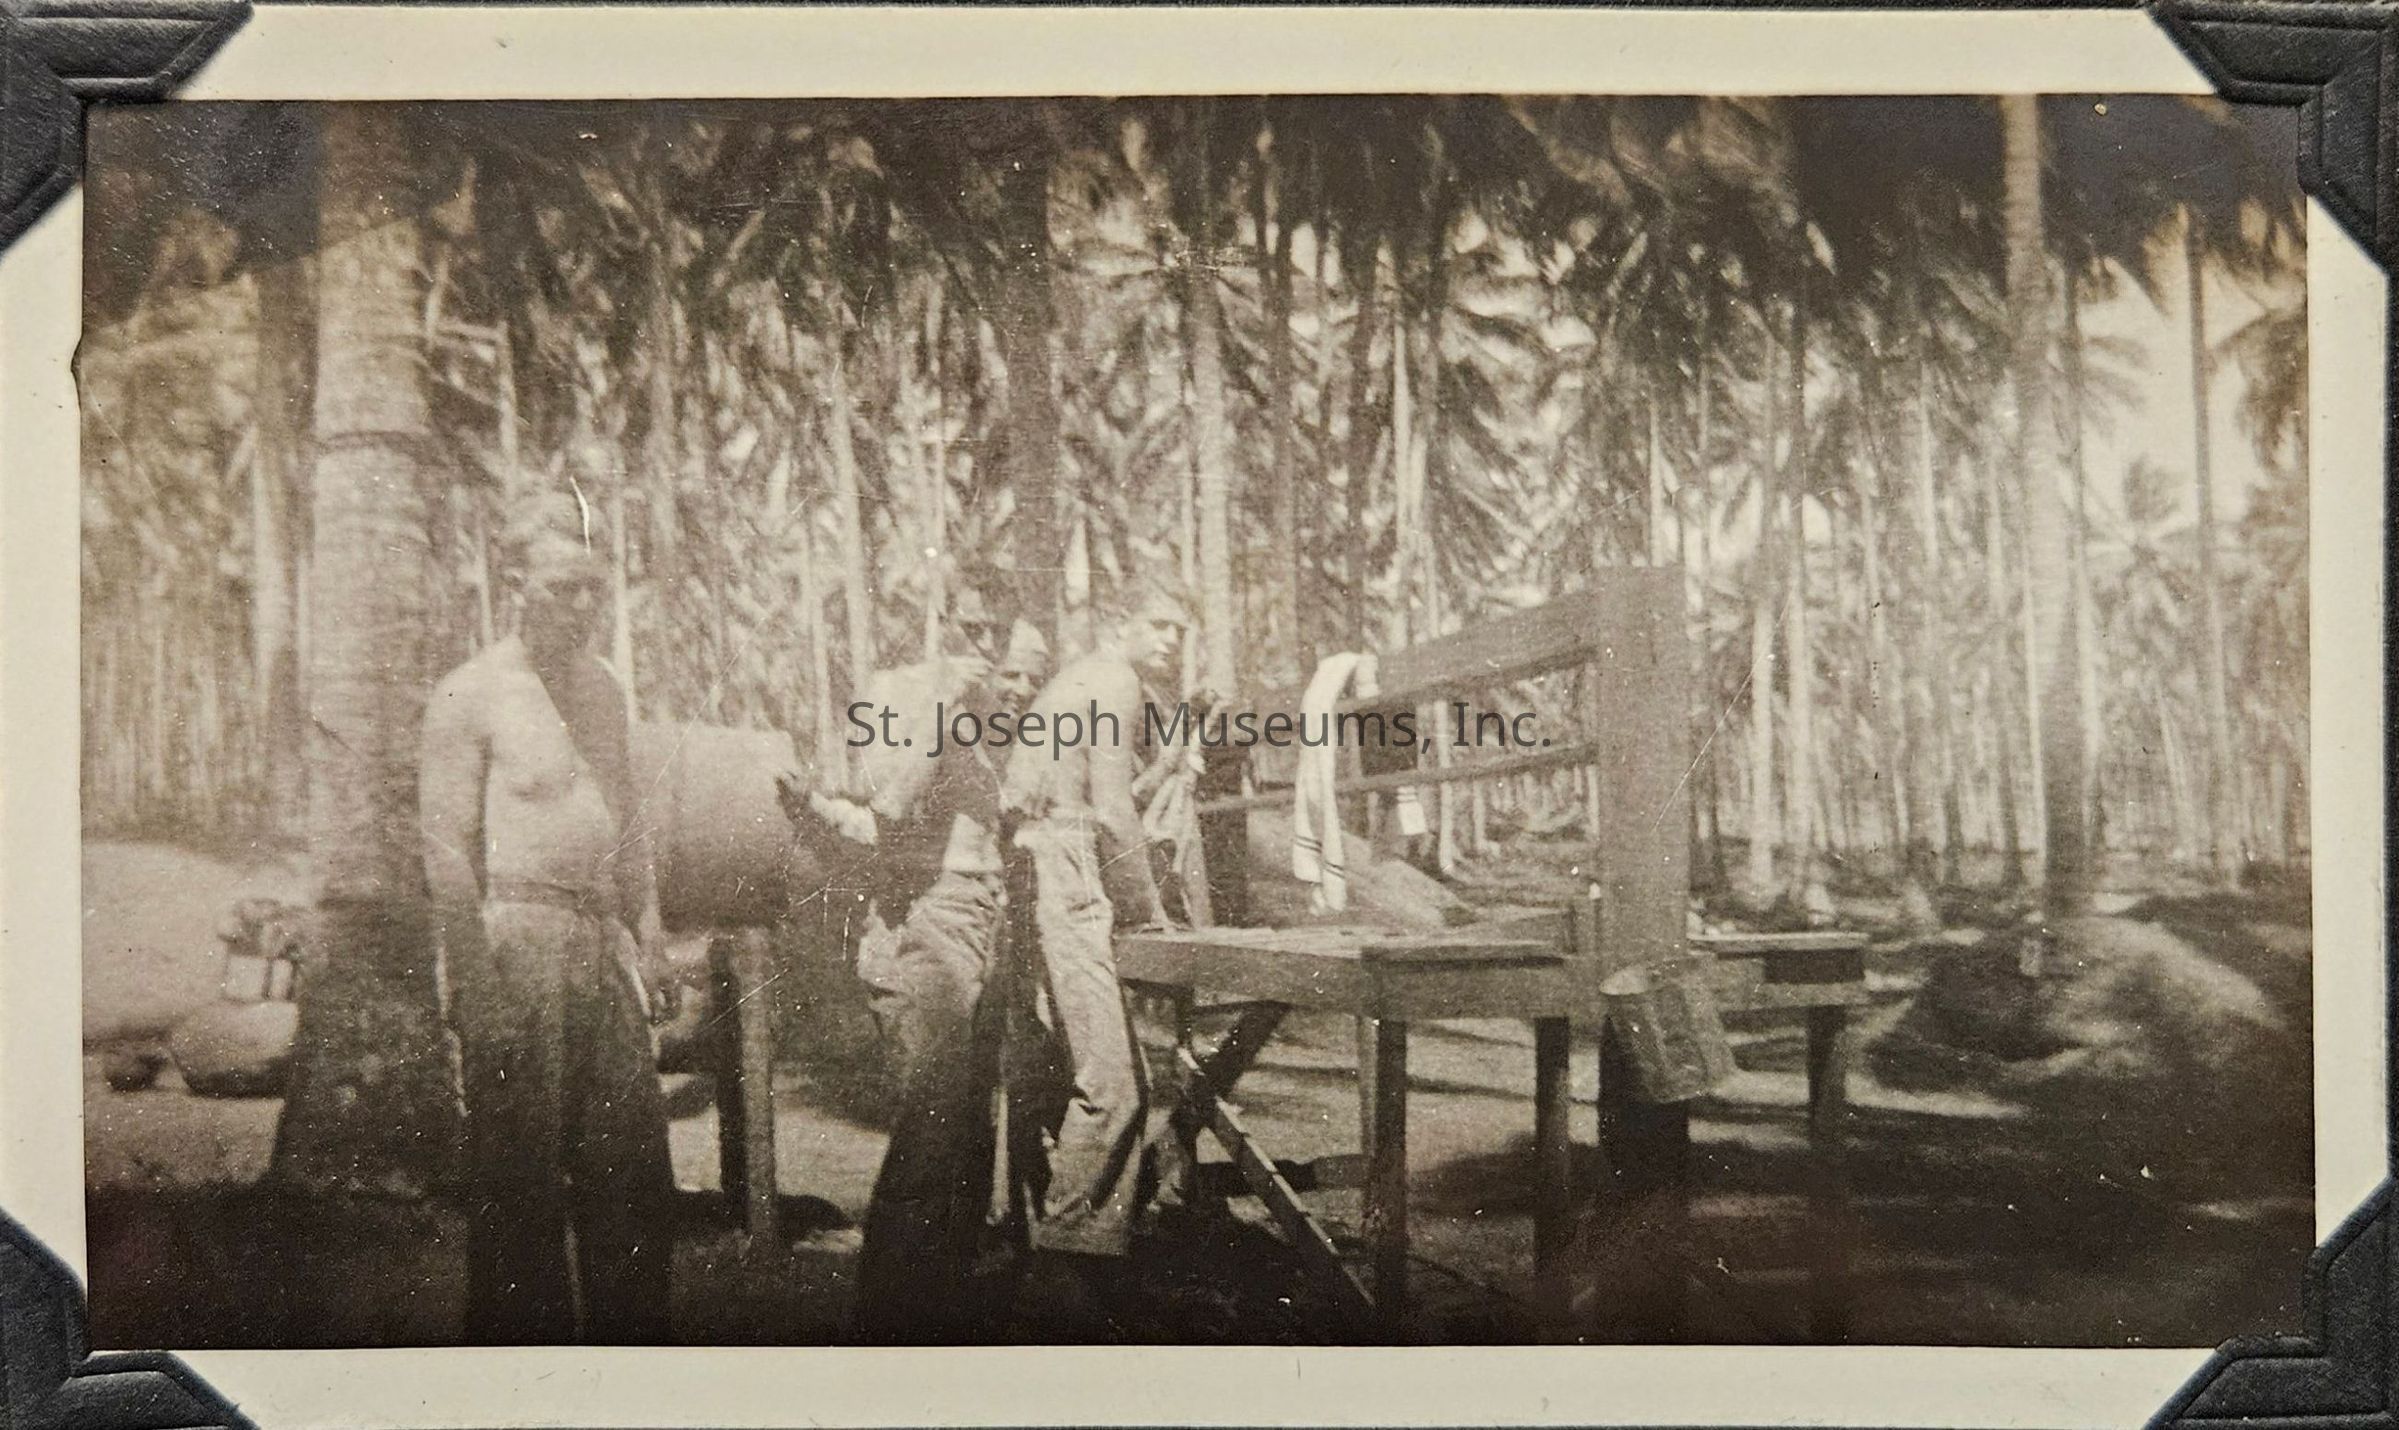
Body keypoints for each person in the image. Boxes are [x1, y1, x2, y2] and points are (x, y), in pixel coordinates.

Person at [418, 497, 674, 1345]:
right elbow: (445, 851)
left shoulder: (602, 690)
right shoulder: (470, 694)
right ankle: (518, 1380)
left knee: (631, 1170)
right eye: (564, 587)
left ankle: (635, 1372)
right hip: (516, 937)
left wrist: (650, 934)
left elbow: (628, 820)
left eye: (593, 588)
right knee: (518, 1181)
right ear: (516, 583)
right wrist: (473, 985)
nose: (582, 605)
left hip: (600, 940)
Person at [782, 599, 1051, 1342]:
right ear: (969, 652)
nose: (1021, 689)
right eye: (1010, 673)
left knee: (969, 1130)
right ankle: (889, 1323)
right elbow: (888, 809)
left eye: (1033, 678)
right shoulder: (915, 703)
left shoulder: (987, 733)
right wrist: (946, 704)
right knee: (932, 1129)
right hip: (926, 929)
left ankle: (945, 1314)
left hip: (980, 925)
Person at [999, 587, 1189, 1308]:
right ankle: (1062, 1271)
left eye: (1180, 630)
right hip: (1068, 867)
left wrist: (1162, 770)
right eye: (1158, 624)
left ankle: (1074, 1259)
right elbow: (1108, 809)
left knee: (1075, 1075)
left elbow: (1075, 785)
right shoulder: (1116, 680)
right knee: (1114, 1085)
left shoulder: (1072, 679)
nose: (1171, 640)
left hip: (1038, 866)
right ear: (1120, 623)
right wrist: (1149, 909)